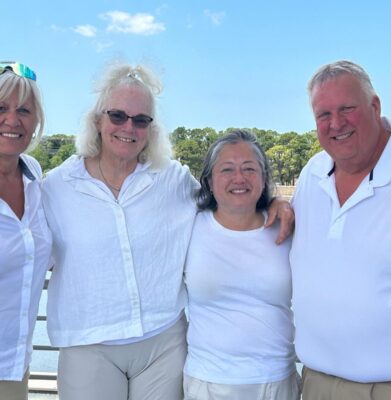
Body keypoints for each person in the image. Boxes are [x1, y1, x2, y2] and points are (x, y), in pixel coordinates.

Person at [41, 62, 293, 400]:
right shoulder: (56, 188)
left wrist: (274, 202)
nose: (128, 127)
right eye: (118, 116)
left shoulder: (172, 179)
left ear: (151, 128)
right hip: (88, 342)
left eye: (140, 120)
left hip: (163, 343)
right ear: (98, 120)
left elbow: (228, 198)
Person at [290, 60, 391, 400]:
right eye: (323, 114)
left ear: (375, 106)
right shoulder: (312, 174)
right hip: (315, 383)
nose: (336, 123)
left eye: (347, 109)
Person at [183, 130, 300, 400]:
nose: (239, 178)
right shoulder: (189, 224)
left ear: (263, 178)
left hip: (275, 381)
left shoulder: (288, 227)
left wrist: (281, 203)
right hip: (207, 382)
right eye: (227, 169)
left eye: (249, 168)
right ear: (210, 180)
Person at [0, 62, 52, 400]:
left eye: (24, 110)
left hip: (15, 366)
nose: (12, 120)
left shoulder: (34, 175)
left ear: (36, 122)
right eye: (1, 108)